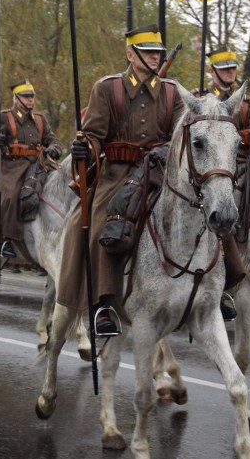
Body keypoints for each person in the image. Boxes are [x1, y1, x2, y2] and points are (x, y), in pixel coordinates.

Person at [59, 24, 184, 336]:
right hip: (117, 174)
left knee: (207, 209)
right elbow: (94, 135)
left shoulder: (172, 92)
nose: (155, 57)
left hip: (160, 172)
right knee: (100, 223)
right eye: (148, 51)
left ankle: (220, 286)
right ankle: (102, 303)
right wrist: (84, 148)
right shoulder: (108, 89)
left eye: (157, 52)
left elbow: (181, 135)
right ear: (131, 54)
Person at [206, 47, 250, 320]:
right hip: (216, 170)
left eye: (233, 68)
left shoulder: (248, 104)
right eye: (225, 69)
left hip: (246, 165)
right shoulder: (204, 101)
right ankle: (221, 280)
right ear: (213, 72)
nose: (230, 73)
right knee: (225, 206)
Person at [0, 80, 62, 260]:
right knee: (10, 196)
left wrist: (54, 149)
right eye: (26, 96)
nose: (31, 99)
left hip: (37, 166)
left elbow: (54, 141)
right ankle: (7, 240)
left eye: (32, 96)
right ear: (16, 99)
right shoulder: (3, 117)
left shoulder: (40, 120)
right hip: (12, 167)